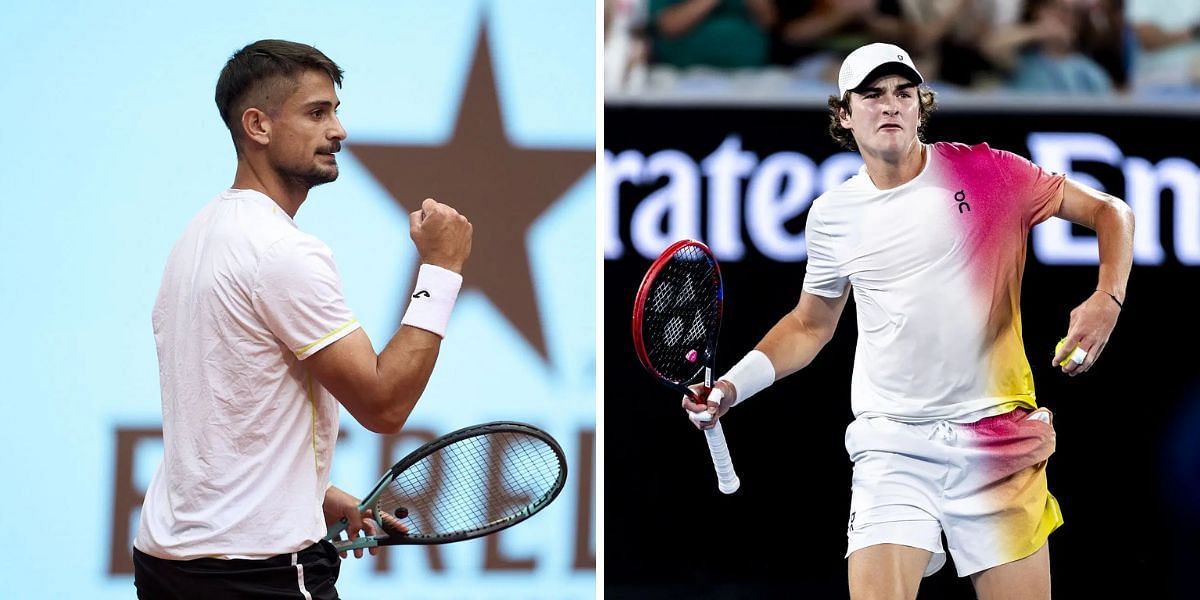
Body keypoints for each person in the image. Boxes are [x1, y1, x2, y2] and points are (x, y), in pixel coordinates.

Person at [683, 42, 1133, 599]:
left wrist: (1106, 300)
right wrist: (731, 387)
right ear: (844, 115)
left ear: (922, 106)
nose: (890, 105)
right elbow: (810, 325)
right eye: (872, 95)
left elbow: (1111, 211)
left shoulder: (989, 171)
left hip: (998, 438)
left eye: (903, 93)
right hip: (892, 444)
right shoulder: (832, 217)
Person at [132, 39, 473, 599]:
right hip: (258, 574)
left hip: (170, 563)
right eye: (317, 113)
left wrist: (310, 491)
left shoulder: (197, 238)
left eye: (335, 111)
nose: (338, 130)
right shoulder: (281, 251)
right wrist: (443, 267)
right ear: (257, 126)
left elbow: (226, 413)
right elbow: (384, 404)